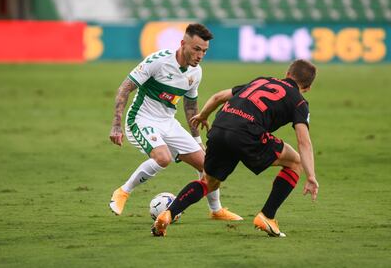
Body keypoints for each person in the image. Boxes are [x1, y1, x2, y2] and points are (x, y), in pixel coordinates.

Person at [152, 59, 319, 237]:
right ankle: (267, 216)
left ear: (287, 74)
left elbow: (218, 97)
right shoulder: (299, 102)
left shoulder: (261, 80)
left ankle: (168, 213)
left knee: (209, 182)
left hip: (220, 127)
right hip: (247, 133)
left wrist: (203, 115)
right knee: (294, 162)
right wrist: (310, 176)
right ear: (307, 87)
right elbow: (304, 142)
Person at [108, 23, 242, 221]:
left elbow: (190, 106)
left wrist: (196, 139)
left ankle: (216, 210)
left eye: (204, 51)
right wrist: (116, 125)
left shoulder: (196, 73)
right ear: (183, 44)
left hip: (168, 123)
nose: (200, 55)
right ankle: (123, 192)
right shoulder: (158, 61)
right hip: (141, 119)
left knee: (208, 166)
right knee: (163, 158)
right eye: (196, 49)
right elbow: (124, 88)